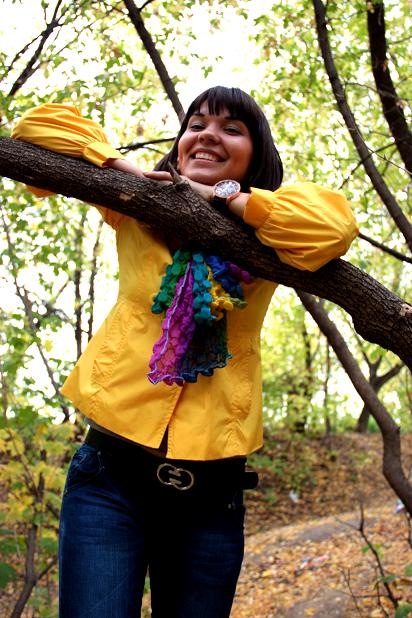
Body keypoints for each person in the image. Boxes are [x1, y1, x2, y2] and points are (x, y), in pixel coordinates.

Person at [12, 86, 358, 618]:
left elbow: (334, 228)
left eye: (231, 128)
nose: (208, 135)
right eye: (197, 124)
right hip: (108, 482)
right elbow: (35, 129)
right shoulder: (135, 209)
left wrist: (223, 197)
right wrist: (120, 169)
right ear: (179, 142)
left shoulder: (269, 236)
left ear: (256, 155)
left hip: (210, 500)